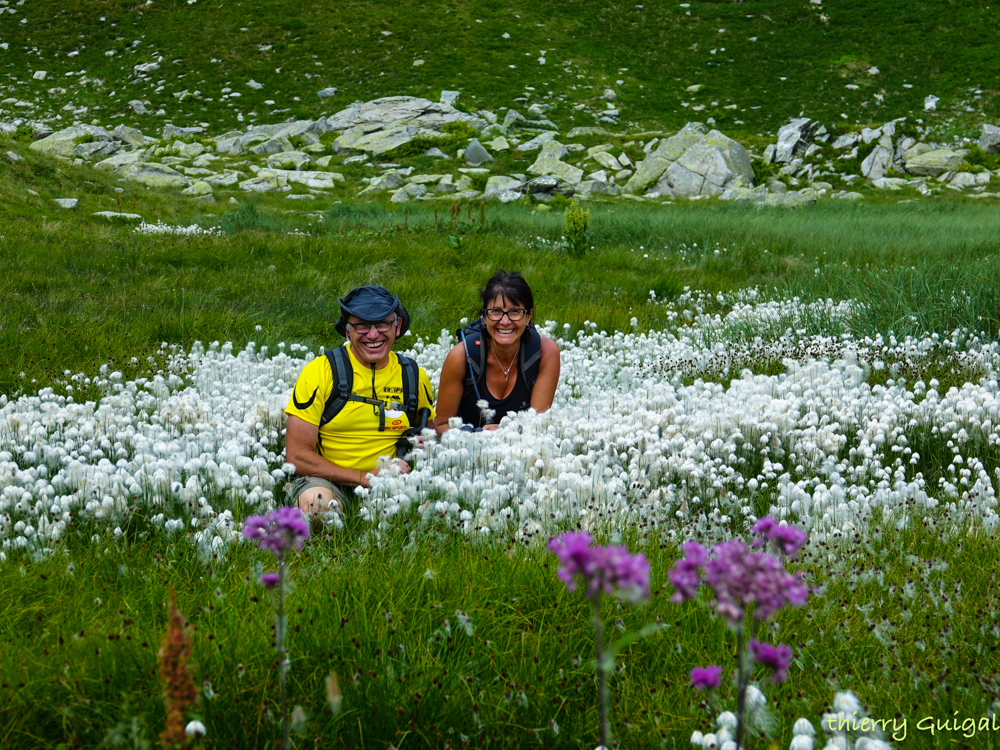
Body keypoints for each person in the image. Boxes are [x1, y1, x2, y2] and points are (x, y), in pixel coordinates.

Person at [284, 285, 435, 514]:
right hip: (328, 482)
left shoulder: (413, 376)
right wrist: (365, 478)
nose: (373, 335)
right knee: (317, 506)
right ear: (347, 330)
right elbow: (297, 456)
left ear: (398, 326)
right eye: (361, 325)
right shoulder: (320, 372)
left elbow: (433, 436)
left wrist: (424, 446)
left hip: (392, 483)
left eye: (383, 323)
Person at [434, 270, 560, 434]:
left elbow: (537, 426)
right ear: (485, 316)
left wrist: (504, 431)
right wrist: (477, 438)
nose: (505, 321)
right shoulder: (461, 357)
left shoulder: (545, 353)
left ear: (528, 316)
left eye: (515, 311)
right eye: (496, 312)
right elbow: (441, 424)